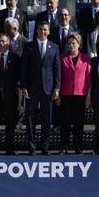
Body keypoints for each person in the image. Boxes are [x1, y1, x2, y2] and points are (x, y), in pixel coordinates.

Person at [20, 20, 61, 155]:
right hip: (31, 88)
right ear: (36, 31)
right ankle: (31, 146)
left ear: (48, 31)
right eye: (40, 29)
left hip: (48, 88)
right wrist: (24, 86)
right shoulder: (29, 46)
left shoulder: (54, 47)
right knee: (30, 118)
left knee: (47, 118)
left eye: (45, 30)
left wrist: (57, 88)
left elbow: (57, 69)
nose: (43, 32)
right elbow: (24, 68)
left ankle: (45, 146)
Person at [57, 32, 91, 155]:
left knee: (79, 123)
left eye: (74, 43)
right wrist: (58, 94)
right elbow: (59, 77)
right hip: (65, 94)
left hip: (80, 95)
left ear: (79, 44)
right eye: (69, 43)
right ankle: (63, 146)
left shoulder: (86, 59)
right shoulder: (62, 58)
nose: (71, 45)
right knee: (65, 122)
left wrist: (88, 95)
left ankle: (78, 146)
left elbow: (88, 78)